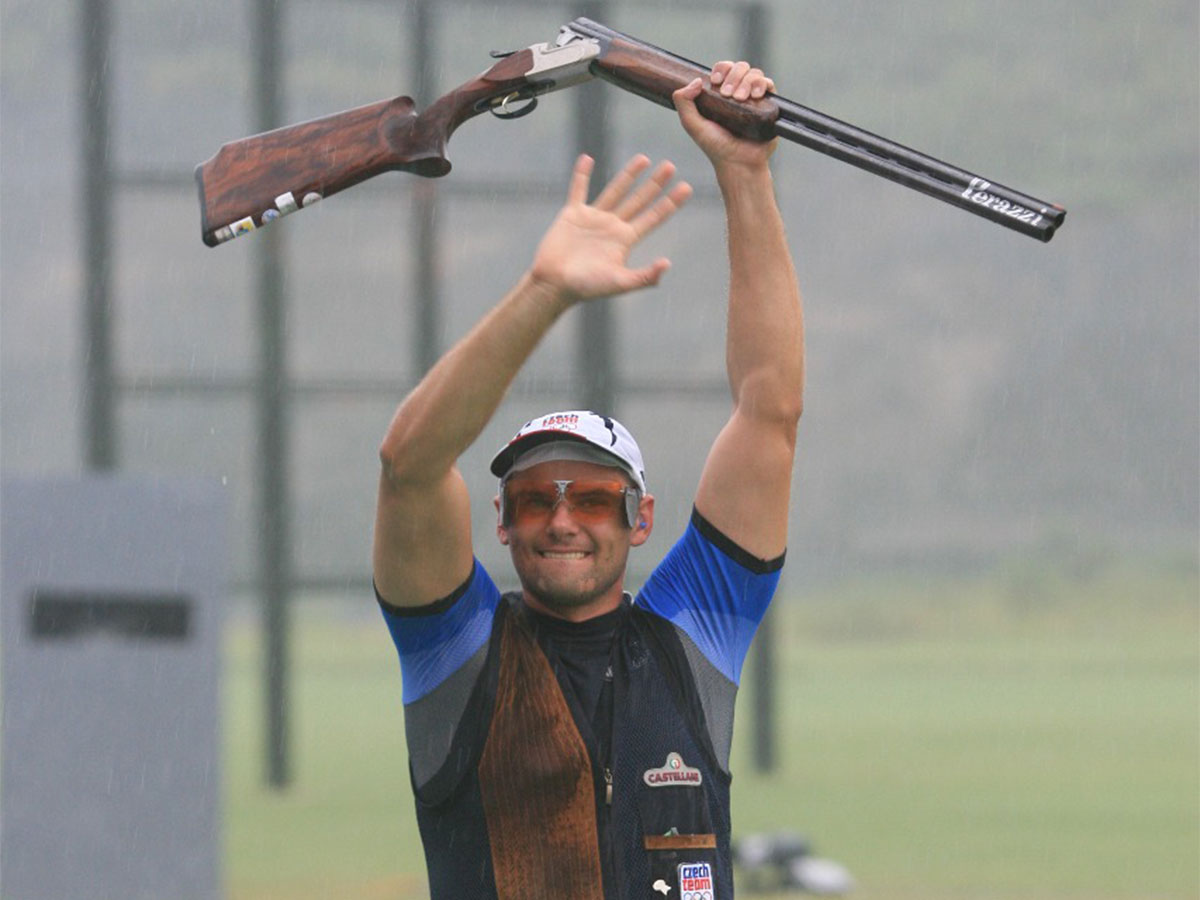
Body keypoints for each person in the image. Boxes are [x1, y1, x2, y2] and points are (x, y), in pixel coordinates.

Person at [373, 61, 804, 900]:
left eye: (595, 498)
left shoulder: (693, 633)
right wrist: (545, 293)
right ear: (500, 522)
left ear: (640, 520)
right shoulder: (454, 651)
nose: (563, 519)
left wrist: (745, 176)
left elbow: (770, 411)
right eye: (536, 498)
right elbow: (409, 467)